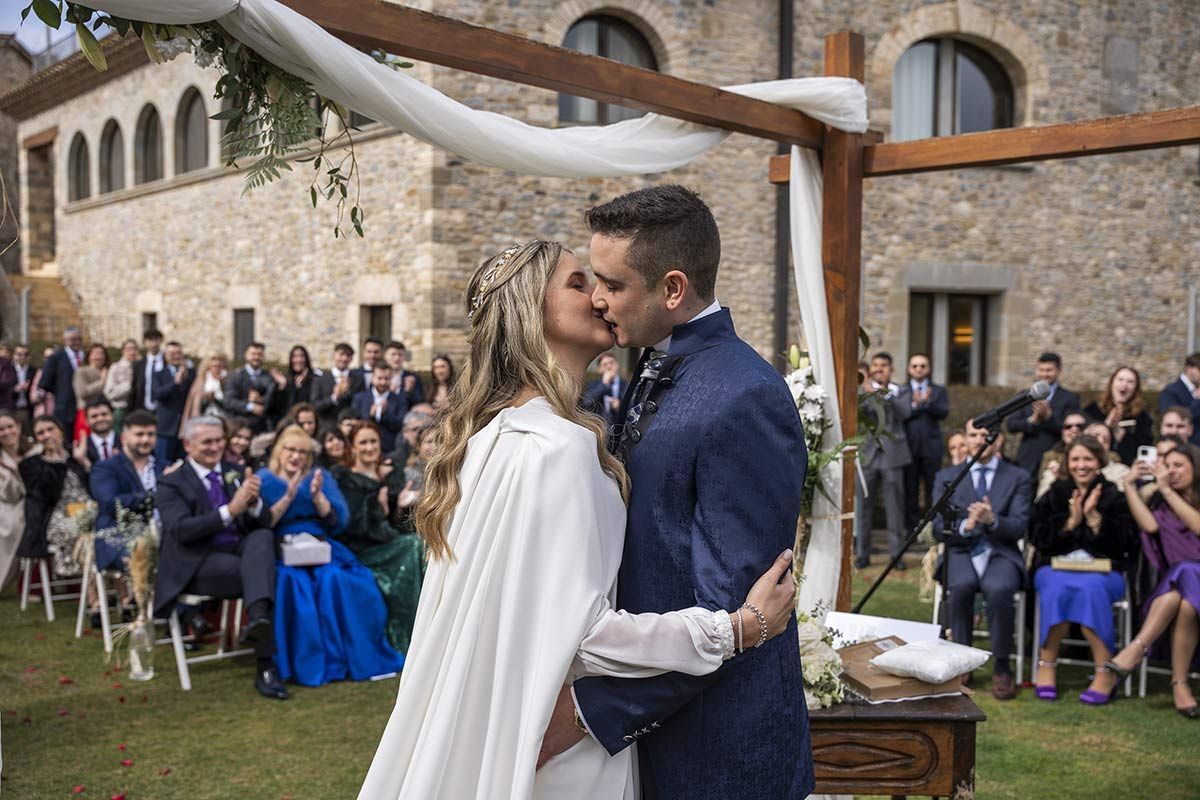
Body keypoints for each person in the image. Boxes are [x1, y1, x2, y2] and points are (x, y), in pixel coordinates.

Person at [359, 231, 800, 799]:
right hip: (562, 741)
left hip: (516, 717)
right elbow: (589, 636)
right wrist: (737, 629)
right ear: (530, 317)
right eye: (578, 282)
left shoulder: (492, 439)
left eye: (602, 282)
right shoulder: (556, 448)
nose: (598, 297)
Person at [257, 424, 403, 686]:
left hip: (322, 544)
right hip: (282, 549)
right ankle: (307, 665)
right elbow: (262, 524)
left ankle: (347, 658)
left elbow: (339, 521)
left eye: (302, 451)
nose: (296, 456)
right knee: (293, 583)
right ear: (280, 451)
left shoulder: (320, 476)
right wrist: (288, 497)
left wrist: (317, 498)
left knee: (336, 579)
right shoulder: (264, 480)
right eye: (290, 449)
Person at [154, 415, 284, 699]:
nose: (216, 447)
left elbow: (262, 521)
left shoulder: (234, 471)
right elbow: (180, 530)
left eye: (219, 441)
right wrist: (232, 510)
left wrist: (253, 502)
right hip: (196, 563)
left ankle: (258, 620)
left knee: (262, 539)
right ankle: (266, 664)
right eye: (208, 442)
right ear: (188, 445)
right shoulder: (171, 483)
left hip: (238, 554)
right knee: (263, 576)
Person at [1084, 444, 1200, 716]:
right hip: (1180, 589)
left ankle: (1134, 651)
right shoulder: (1161, 503)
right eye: (1167, 465)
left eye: (1179, 465)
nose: (1171, 471)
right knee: (1181, 601)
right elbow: (1149, 525)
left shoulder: (1176, 498)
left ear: (1195, 467)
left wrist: (1168, 491)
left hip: (1188, 576)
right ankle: (1179, 685)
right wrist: (1129, 484)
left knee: (1185, 571)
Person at [1029, 435, 1137, 704]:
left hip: (1103, 572)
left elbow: (1127, 542)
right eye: (1075, 459)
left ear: (1099, 461)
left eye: (1087, 459)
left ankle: (1104, 671)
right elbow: (1037, 537)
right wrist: (1069, 522)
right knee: (1056, 587)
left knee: (1090, 589)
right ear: (1067, 462)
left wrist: (1094, 520)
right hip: (1056, 568)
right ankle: (1046, 664)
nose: (1081, 465)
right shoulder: (1055, 492)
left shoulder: (1113, 494)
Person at [932, 419, 1032, 700]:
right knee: (961, 586)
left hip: (1001, 552)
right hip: (962, 551)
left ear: (998, 440)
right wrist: (967, 525)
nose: (978, 440)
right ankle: (962, 662)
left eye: (985, 435)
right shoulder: (948, 476)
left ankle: (1002, 665)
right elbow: (938, 528)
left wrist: (992, 520)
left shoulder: (1018, 477)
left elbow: (1020, 526)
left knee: (999, 589)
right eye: (973, 434)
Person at [333, 420, 426, 652]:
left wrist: (397, 508)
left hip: (388, 544)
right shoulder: (344, 478)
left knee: (420, 546)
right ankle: (407, 636)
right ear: (353, 447)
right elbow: (353, 525)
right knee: (414, 546)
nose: (369, 447)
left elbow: (394, 525)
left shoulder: (389, 476)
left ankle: (428, 632)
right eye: (363, 442)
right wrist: (379, 507)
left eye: (373, 441)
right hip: (361, 551)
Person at [855, 351, 912, 569]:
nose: (879, 369)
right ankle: (862, 554)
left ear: (891, 369)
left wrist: (885, 394)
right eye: (876, 365)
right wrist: (867, 394)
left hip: (893, 456)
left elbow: (905, 412)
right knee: (864, 507)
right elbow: (857, 412)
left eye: (884, 366)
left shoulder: (901, 391)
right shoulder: (863, 390)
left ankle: (896, 555)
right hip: (868, 454)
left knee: (894, 507)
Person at [89, 409, 162, 575]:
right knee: (147, 558)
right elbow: (111, 503)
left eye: (150, 434)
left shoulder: (165, 466)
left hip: (166, 534)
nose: (145, 439)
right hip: (119, 536)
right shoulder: (105, 468)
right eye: (139, 434)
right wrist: (156, 496)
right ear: (124, 437)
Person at [18, 415, 91, 579]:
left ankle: (98, 586)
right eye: (41, 433)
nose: (47, 435)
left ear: (61, 430)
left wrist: (83, 461)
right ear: (37, 438)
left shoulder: (77, 455)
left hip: (88, 510)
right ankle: (92, 591)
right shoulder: (31, 464)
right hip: (57, 516)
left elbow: (95, 485)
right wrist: (51, 459)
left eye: (50, 429)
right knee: (78, 533)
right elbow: (42, 495)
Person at [1006, 352, 1081, 476]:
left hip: (1056, 457)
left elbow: (1072, 429)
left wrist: (1049, 417)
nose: (1044, 374)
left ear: (1058, 371)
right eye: (1041, 370)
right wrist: (1032, 421)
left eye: (1049, 370)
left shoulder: (1070, 398)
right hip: (1027, 459)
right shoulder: (1025, 395)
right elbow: (1011, 425)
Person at [899, 353, 949, 532]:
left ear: (928, 369)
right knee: (910, 491)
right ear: (909, 369)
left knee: (932, 490)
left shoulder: (938, 390)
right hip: (909, 449)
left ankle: (932, 528)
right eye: (915, 366)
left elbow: (944, 412)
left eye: (922, 366)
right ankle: (912, 529)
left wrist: (927, 404)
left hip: (931, 449)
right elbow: (900, 415)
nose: (919, 369)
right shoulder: (902, 390)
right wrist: (914, 405)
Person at [1083, 366, 1153, 466]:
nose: (1124, 385)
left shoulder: (1142, 417)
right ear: (1112, 383)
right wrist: (1106, 427)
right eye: (1120, 380)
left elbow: (1142, 450)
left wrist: (1119, 432)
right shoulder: (1093, 410)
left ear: (1135, 389)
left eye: (1130, 382)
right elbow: (1084, 441)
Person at [37, 326, 86, 441]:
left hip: (85, 407)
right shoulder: (56, 358)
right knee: (66, 440)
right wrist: (61, 392)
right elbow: (44, 382)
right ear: (65, 341)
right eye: (72, 340)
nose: (76, 342)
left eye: (78, 339)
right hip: (64, 408)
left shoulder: (86, 356)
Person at [152, 341, 194, 464]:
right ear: (165, 355)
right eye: (172, 353)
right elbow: (158, 394)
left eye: (178, 353)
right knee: (162, 463)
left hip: (185, 427)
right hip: (166, 428)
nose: (176, 356)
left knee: (184, 463)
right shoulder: (159, 374)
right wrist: (175, 383)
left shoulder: (191, 373)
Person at [0, 409, 28, 590]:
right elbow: (7, 494)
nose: (7, 432)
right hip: (7, 503)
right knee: (12, 525)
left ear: (18, 427)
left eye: (10, 426)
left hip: (34, 503)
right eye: (1, 429)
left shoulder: (35, 450)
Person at [351, 364, 406, 453]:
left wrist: (385, 415)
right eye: (380, 378)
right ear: (373, 378)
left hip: (390, 449)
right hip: (364, 448)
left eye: (387, 379)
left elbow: (400, 425)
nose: (383, 382)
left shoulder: (399, 399)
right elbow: (355, 423)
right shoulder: (359, 398)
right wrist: (370, 415)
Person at [1036, 411, 1089, 499]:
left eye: (1079, 426)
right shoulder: (1050, 456)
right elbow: (1043, 489)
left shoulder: (1104, 455)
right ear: (1062, 431)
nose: (1074, 429)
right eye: (1068, 427)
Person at [223, 342, 275, 433]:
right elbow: (229, 401)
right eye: (253, 354)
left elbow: (274, 400)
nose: (256, 357)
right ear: (246, 355)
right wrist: (250, 407)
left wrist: (261, 400)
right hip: (238, 424)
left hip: (262, 427)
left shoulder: (270, 377)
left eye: (260, 354)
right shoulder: (235, 376)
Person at [312, 342, 363, 428]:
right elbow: (315, 405)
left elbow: (360, 404)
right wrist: (334, 397)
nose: (344, 358)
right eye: (341, 354)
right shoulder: (320, 379)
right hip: (327, 426)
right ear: (334, 355)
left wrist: (348, 392)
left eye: (348, 355)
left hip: (350, 427)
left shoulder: (358, 379)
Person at [1159, 353, 1200, 446]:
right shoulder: (1170, 391)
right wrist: (1198, 400)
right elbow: (1175, 418)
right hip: (1181, 448)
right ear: (1189, 368)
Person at [271, 345, 319, 422]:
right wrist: (282, 386)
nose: (298, 360)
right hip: (289, 422)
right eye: (295, 356)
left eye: (301, 356)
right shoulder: (286, 379)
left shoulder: (315, 379)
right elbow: (279, 407)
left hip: (308, 422)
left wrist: (302, 386)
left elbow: (313, 403)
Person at [182, 353, 229, 427]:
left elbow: (230, 402)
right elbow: (195, 405)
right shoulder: (201, 380)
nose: (217, 362)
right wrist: (206, 399)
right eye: (214, 359)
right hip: (203, 420)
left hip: (223, 421)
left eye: (220, 360)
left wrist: (216, 398)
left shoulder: (228, 379)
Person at [74, 399, 118, 472]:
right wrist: (83, 461)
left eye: (104, 414)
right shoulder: (81, 449)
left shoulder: (126, 442)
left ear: (113, 415)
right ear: (86, 421)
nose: (100, 419)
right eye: (94, 416)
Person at [104, 339, 139, 430]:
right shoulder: (116, 367)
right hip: (121, 408)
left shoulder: (141, 366)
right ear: (123, 351)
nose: (132, 352)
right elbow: (109, 393)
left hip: (138, 410)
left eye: (134, 349)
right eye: (129, 349)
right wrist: (130, 385)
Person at [584, 352, 625, 429]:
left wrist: (620, 407)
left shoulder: (627, 385)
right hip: (599, 429)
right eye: (605, 364)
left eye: (611, 363)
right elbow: (587, 403)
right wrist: (604, 384)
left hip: (621, 429)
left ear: (617, 365)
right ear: (600, 369)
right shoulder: (593, 385)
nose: (609, 366)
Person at [129, 329, 164, 415]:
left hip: (163, 409)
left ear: (161, 341)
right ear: (145, 342)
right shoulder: (139, 364)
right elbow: (134, 388)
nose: (153, 344)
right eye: (150, 340)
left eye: (156, 340)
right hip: (143, 408)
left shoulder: (166, 362)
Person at [385, 341, 424, 407]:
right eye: (393, 354)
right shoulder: (378, 377)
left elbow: (419, 403)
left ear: (404, 357)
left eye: (400, 354)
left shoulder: (414, 378)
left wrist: (410, 392)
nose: (397, 358)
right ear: (385, 356)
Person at [12, 344, 33, 436]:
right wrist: (15, 389)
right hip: (11, 408)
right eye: (19, 354)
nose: (22, 357)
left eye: (25, 354)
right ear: (14, 355)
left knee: (26, 435)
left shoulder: (34, 370)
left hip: (27, 409)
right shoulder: (7, 370)